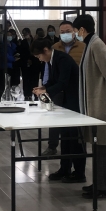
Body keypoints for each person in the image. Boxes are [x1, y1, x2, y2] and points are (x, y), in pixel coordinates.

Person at [73, 14, 106, 199]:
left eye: (75, 31)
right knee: (97, 146)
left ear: (82, 30)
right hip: (94, 102)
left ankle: (103, 187)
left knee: (102, 145)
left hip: (101, 103)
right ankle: (99, 183)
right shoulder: (91, 44)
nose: (75, 34)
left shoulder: (96, 45)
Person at [31, 38, 86, 183]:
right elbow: (53, 80)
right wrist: (43, 87)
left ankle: (79, 173)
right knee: (65, 137)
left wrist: (46, 91)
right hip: (65, 101)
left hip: (75, 101)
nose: (39, 59)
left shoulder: (63, 59)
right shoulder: (52, 60)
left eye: (39, 56)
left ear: (45, 50)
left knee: (74, 138)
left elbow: (63, 83)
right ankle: (64, 169)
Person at [41, 21, 86, 155]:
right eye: (62, 32)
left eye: (68, 31)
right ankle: (52, 146)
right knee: (55, 118)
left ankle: (76, 148)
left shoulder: (83, 46)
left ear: (74, 32)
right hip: (57, 87)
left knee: (73, 122)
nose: (65, 34)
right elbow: (48, 68)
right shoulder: (55, 47)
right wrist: (46, 86)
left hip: (75, 89)